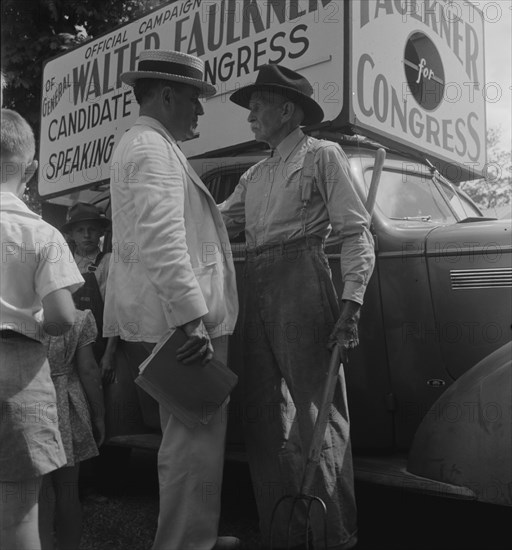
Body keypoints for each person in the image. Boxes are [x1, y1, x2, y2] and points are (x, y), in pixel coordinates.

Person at [219, 64, 376, 550]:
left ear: (287, 110)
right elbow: (218, 222)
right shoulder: (254, 173)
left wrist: (351, 299)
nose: (251, 116)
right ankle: (282, 534)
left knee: (318, 413)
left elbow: (355, 231)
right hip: (255, 281)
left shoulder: (323, 156)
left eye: (258, 106)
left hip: (302, 280)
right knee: (264, 414)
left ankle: (334, 537)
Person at [103, 50, 239, 550]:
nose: (200, 111)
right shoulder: (152, 149)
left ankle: (193, 535)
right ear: (166, 96)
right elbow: (162, 239)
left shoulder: (145, 145)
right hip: (180, 325)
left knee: (193, 440)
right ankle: (185, 544)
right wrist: (192, 321)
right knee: (193, 445)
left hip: (172, 321)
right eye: (194, 100)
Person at [0, 109, 83, 549]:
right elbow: (64, 317)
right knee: (18, 515)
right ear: (29, 169)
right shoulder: (43, 233)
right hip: (21, 370)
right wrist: (38, 320)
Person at [39, 308, 105, 550]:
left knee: (39, 491)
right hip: (66, 406)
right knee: (68, 490)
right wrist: (99, 415)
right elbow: (88, 369)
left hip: (31, 400)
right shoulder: (79, 318)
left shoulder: (17, 316)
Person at [62, 202, 117, 384]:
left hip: (99, 348)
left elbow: (115, 310)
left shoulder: (109, 262)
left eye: (92, 229)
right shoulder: (63, 263)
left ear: (101, 233)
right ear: (71, 234)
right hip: (67, 348)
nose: (86, 235)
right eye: (80, 230)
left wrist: (109, 355)